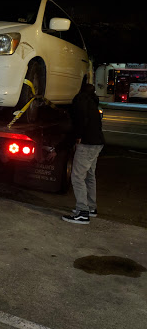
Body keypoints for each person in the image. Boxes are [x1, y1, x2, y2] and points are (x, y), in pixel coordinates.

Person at [48, 83, 104, 224]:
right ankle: (91, 208)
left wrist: (58, 149)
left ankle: (82, 213)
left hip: (87, 145)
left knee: (77, 177)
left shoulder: (80, 104)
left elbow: (76, 130)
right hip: (98, 143)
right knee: (90, 176)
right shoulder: (93, 105)